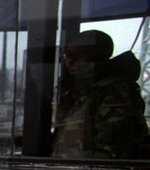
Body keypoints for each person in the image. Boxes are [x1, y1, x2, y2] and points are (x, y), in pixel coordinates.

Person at [50, 30, 148, 159]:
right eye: (68, 55)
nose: (71, 61)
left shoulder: (115, 92)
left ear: (99, 56)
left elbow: (109, 153)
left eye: (81, 54)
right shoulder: (76, 92)